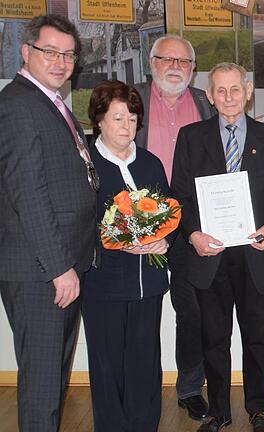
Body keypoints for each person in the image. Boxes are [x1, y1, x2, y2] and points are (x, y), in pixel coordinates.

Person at [171, 62, 264, 432]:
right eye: (220, 91)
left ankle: (259, 408)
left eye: (235, 90)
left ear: (248, 92)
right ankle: (219, 411)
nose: (228, 98)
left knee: (256, 336)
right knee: (214, 337)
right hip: (209, 255)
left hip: (257, 255)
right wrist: (192, 234)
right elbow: (179, 194)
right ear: (209, 96)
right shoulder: (191, 137)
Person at [0, 14, 97, 432]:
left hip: (59, 265)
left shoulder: (49, 102)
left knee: (54, 378)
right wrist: (59, 267)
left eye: (68, 55)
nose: (60, 62)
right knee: (42, 384)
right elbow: (29, 195)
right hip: (42, 271)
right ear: (26, 52)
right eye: (50, 52)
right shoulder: (18, 106)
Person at [82, 80, 174, 431]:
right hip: (103, 282)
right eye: (117, 118)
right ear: (99, 121)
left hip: (147, 283)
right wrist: (112, 238)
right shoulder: (87, 164)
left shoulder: (149, 163)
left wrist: (163, 242)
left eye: (132, 119)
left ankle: (144, 424)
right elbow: (78, 221)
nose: (126, 127)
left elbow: (168, 214)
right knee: (107, 365)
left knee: (145, 361)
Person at [135, 35, 216, 421]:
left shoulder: (204, 103)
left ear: (193, 69)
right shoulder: (131, 100)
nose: (175, 66)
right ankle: (139, 386)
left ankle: (189, 387)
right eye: (167, 58)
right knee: (140, 311)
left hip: (188, 225)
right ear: (151, 62)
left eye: (184, 61)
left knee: (192, 311)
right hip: (137, 224)